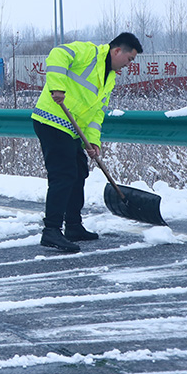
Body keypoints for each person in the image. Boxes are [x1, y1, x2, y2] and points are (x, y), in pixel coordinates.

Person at [32, 32, 143, 252]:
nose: (129, 65)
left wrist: (93, 142)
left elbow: (96, 114)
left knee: (79, 171)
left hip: (72, 129)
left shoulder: (108, 78)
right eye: (129, 59)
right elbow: (58, 54)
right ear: (117, 50)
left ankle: (73, 225)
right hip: (52, 120)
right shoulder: (89, 53)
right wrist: (57, 87)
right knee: (63, 175)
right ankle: (51, 231)